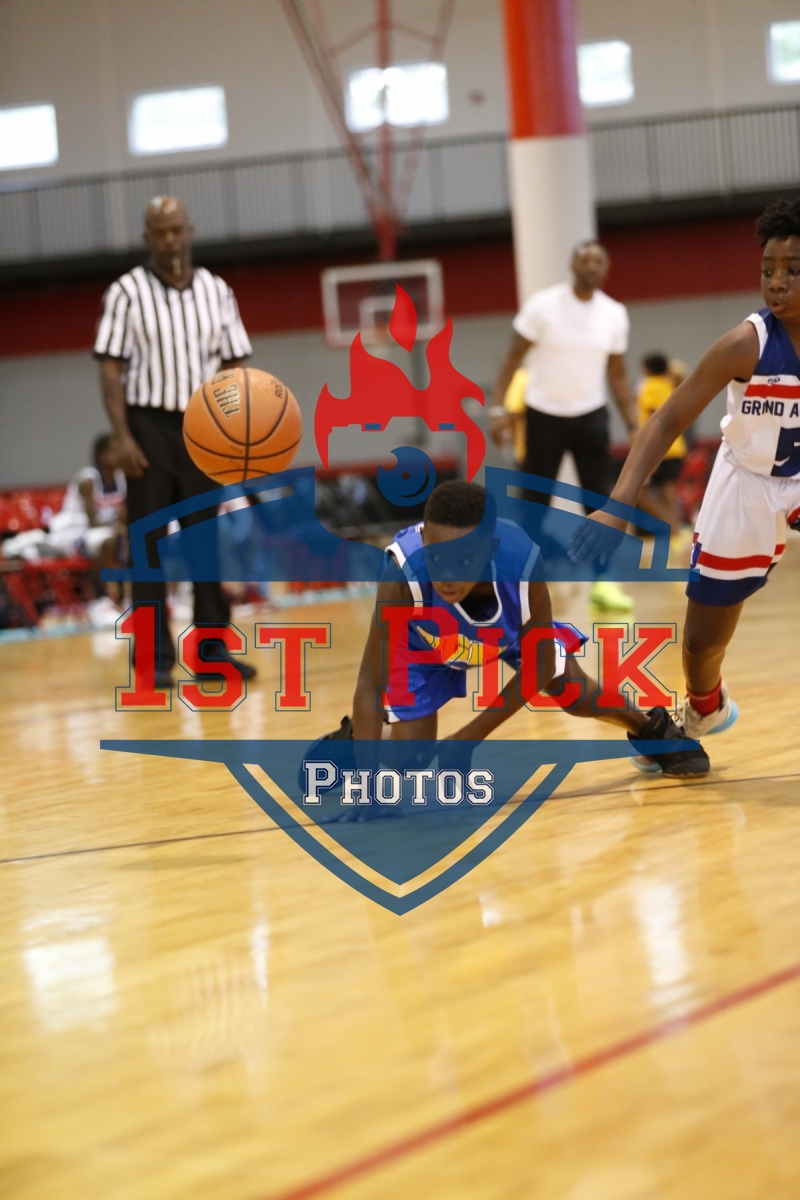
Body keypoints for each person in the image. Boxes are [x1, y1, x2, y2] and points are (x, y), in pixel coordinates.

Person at [570, 198, 800, 740]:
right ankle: (706, 705)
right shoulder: (746, 344)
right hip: (745, 482)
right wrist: (618, 506)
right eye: (767, 269)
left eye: (792, 270)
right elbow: (666, 420)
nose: (776, 282)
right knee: (700, 643)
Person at [320, 481, 708, 778]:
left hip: (506, 633)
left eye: (463, 559)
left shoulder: (522, 564)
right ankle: (356, 742)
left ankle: (650, 729)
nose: (447, 574)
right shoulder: (401, 575)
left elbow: (541, 665)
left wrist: (468, 737)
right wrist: (366, 790)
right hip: (426, 642)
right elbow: (370, 682)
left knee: (573, 690)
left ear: (489, 551)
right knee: (411, 760)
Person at [93, 195, 256, 685]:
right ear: (147, 239)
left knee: (206, 542)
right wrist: (121, 435)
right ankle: (152, 659)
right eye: (161, 232)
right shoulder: (126, 292)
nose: (171, 240)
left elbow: (234, 360)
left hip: (202, 425)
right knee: (149, 545)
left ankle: (212, 653)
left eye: (177, 230)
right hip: (147, 427)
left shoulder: (216, 290)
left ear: (190, 231)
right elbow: (109, 368)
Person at [490, 241, 639, 612]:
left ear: (607, 269)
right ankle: (522, 585)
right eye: (584, 259)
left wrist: (634, 424)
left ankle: (604, 583)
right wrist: (498, 408)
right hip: (544, 415)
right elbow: (511, 358)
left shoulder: (615, 314)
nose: (591, 266)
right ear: (572, 265)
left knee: (599, 502)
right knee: (534, 504)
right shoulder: (543, 306)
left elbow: (618, 374)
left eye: (598, 261)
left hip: (592, 416)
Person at [636, 352, 688, 535]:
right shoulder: (669, 385)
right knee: (668, 494)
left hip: (658, 447)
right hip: (676, 446)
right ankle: (675, 530)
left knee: (639, 491)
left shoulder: (648, 386)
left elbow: (653, 416)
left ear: (648, 369)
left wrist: (651, 450)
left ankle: (671, 527)